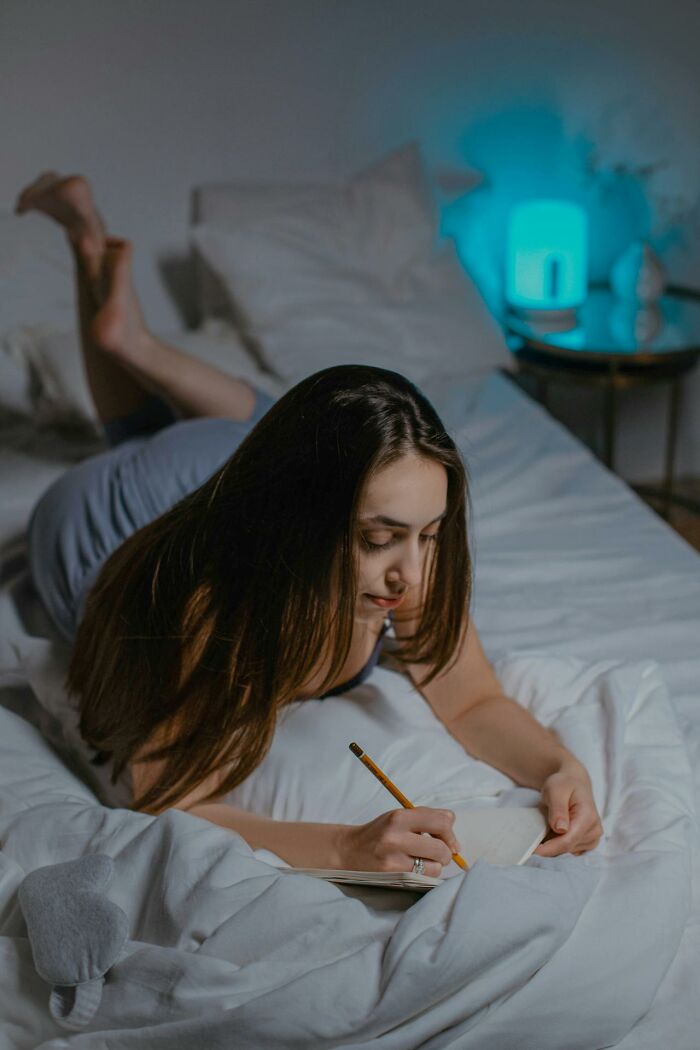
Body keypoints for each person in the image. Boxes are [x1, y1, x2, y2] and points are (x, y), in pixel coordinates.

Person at [16, 173, 603, 875]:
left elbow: (471, 696)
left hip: (225, 457)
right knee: (130, 440)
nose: (411, 575)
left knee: (275, 422)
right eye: (379, 537)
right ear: (302, 519)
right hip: (95, 523)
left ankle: (126, 332)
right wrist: (345, 846)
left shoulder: (403, 548)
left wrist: (561, 768)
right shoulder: (198, 605)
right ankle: (111, 302)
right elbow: (169, 801)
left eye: (431, 533)